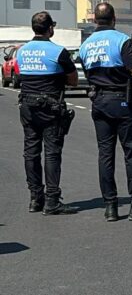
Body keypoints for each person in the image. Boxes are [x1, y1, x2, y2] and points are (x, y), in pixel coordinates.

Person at [79, 3, 132, 222]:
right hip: (121, 101)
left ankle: (110, 207)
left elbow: (88, 72)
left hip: (98, 101)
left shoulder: (86, 45)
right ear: (114, 18)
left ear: (94, 20)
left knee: (105, 154)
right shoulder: (121, 40)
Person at [17, 11, 78, 215]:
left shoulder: (22, 51)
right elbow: (73, 80)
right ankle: (52, 200)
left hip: (27, 105)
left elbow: (20, 74)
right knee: (52, 153)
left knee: (31, 152)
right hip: (50, 106)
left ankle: (35, 198)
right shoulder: (58, 51)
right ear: (50, 28)